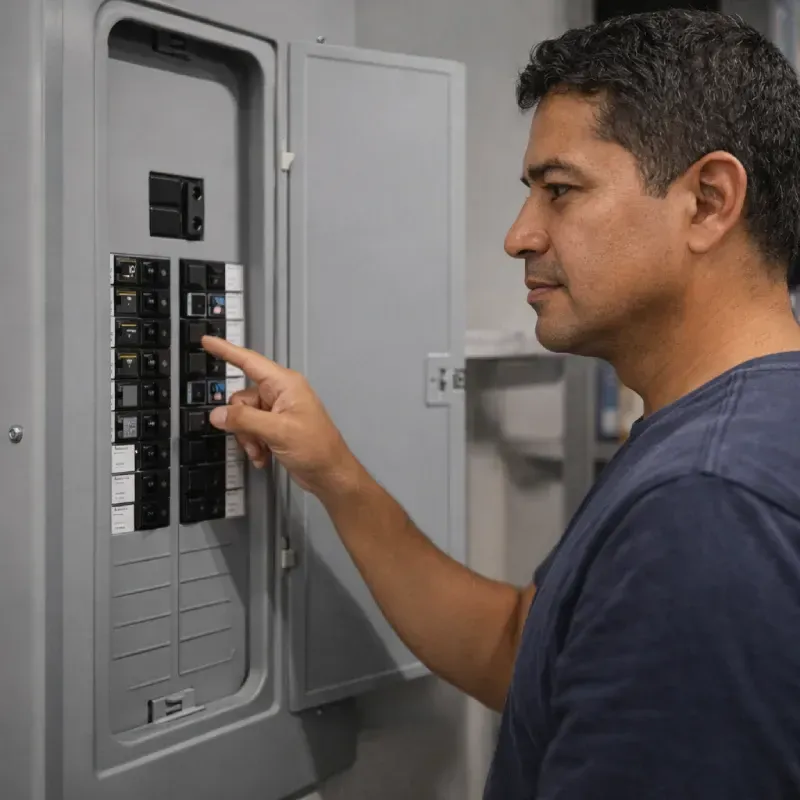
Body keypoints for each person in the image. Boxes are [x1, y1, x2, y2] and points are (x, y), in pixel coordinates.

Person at [202, 9, 800, 798]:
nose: (519, 235)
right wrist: (337, 475)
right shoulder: (737, 432)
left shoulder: (706, 503)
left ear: (708, 201)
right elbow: (523, 650)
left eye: (560, 191)